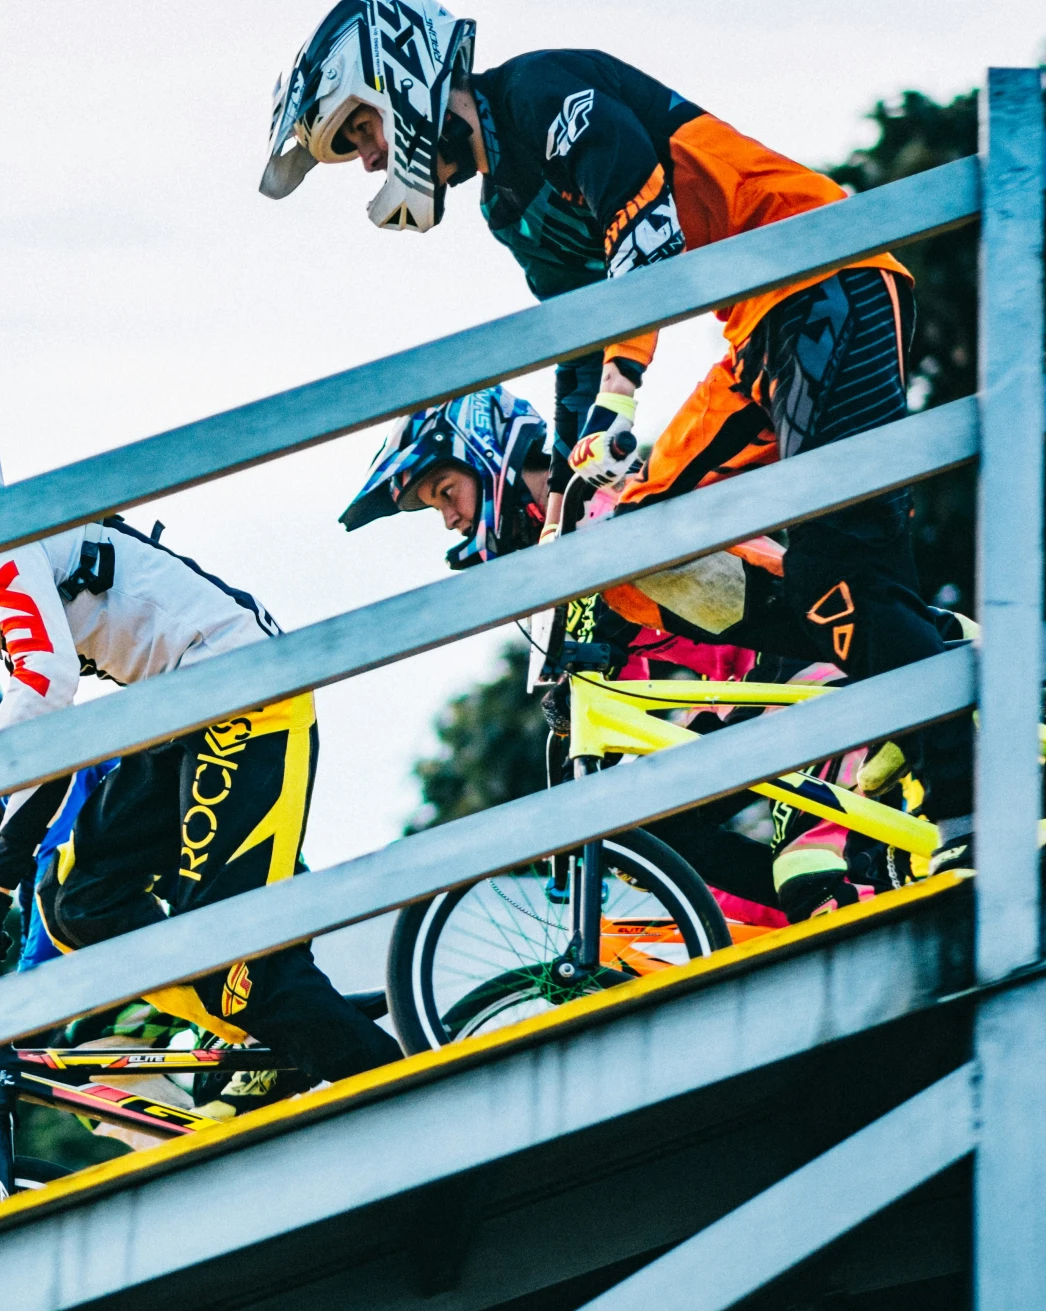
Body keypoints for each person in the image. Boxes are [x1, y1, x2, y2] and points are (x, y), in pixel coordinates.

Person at [257, 1, 971, 870]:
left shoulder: (540, 89)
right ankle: (908, 648)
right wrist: (566, 512)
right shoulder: (508, 207)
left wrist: (620, 404)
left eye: (361, 129)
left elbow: (648, 230)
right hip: (758, 335)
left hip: (829, 284)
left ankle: (966, 787)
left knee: (834, 563)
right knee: (637, 536)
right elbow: (581, 338)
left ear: (401, 80)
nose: (369, 157)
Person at [0, 409, 398, 1084]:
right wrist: (0, 883)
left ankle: (385, 1083)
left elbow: (46, 680)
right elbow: (52, 735)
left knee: (236, 959)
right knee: (77, 900)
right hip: (180, 710)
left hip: (240, 693)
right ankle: (280, 1030)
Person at [342, 384, 903, 924]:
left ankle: (835, 897)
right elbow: (615, 699)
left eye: (445, 493)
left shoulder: (599, 505)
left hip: (812, 664)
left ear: (491, 459)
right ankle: (793, 919)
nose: (450, 520)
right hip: (750, 691)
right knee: (647, 826)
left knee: (806, 866)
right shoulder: (558, 552)